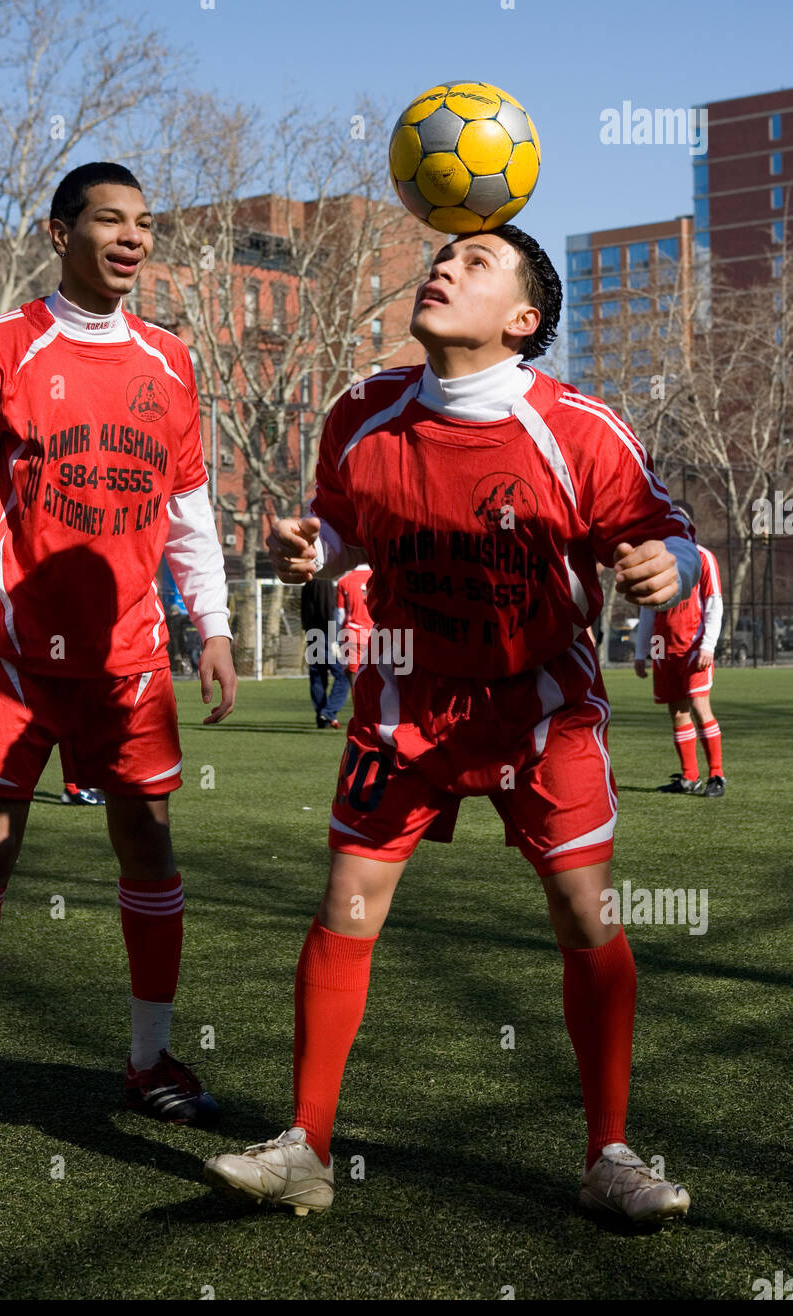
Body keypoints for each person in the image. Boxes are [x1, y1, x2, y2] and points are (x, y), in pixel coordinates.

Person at [204, 225, 700, 1224]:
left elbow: (664, 527)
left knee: (585, 918)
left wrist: (668, 566)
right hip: (406, 700)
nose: (444, 267)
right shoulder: (360, 410)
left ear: (523, 321)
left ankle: (609, 1152)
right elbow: (339, 512)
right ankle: (305, 1146)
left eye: (477, 263)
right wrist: (312, 542)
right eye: (443, 256)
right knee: (349, 902)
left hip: (539, 713)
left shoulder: (582, 429)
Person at [0, 161, 237, 1143]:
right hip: (9, 652)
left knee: (146, 836)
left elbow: (188, 510)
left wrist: (217, 625)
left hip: (131, 659)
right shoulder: (0, 346)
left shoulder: (171, 360)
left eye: (144, 223)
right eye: (110, 220)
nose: (133, 237)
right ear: (59, 233)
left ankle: (149, 1060)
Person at [634, 502, 725, 797]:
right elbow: (648, 610)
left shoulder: (702, 558)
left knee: (699, 706)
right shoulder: (656, 562)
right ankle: (689, 777)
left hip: (694, 648)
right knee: (677, 712)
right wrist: (640, 651)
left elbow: (714, 604)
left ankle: (716, 776)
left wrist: (708, 646)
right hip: (664, 651)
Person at [300, 576, 348, 729]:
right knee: (343, 674)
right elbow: (327, 608)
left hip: (312, 632)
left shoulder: (307, 582)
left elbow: (304, 609)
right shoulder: (324, 581)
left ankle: (322, 716)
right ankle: (328, 712)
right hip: (325, 633)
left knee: (318, 675)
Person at [335, 563, 374, 692]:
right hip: (378, 634)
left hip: (354, 633)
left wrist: (336, 639)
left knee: (354, 677)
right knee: (378, 678)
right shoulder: (377, 577)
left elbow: (340, 614)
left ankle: (359, 711)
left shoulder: (344, 581)